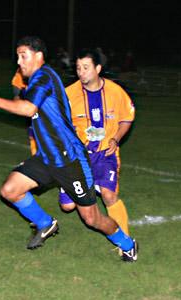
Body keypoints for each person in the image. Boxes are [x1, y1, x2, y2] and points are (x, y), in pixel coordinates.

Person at [0, 36, 138, 262]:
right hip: (47, 158)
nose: (19, 62)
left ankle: (127, 243)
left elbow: (28, 108)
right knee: (10, 190)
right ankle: (45, 223)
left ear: (38, 56)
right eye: (17, 57)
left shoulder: (45, 77)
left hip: (71, 160)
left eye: (23, 56)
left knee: (91, 218)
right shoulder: (34, 81)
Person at [59, 48, 135, 240]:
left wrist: (116, 138)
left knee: (109, 195)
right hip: (78, 157)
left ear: (98, 68)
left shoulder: (116, 92)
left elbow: (127, 118)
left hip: (105, 154)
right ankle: (88, 185)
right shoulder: (68, 95)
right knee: (67, 207)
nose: (81, 72)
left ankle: (124, 242)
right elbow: (58, 125)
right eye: (78, 68)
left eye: (86, 67)